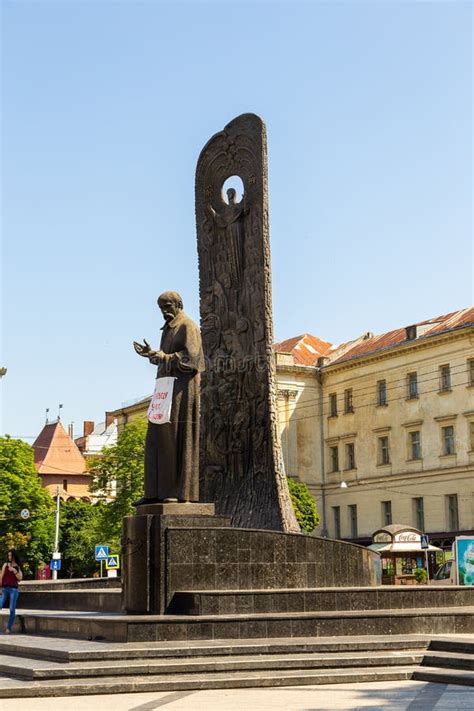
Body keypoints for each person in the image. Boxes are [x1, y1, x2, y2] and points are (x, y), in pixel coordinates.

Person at [133, 291, 204, 504]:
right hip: (165, 390)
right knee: (154, 439)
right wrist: (153, 355)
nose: (164, 311)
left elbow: (192, 359)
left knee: (173, 439)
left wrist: (164, 357)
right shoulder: (168, 329)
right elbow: (168, 358)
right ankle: (153, 493)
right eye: (161, 307)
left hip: (181, 391)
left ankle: (174, 492)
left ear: (179, 304)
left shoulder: (188, 326)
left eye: (167, 306)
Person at [0, 550, 23, 634]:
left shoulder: (17, 567)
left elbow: (20, 578)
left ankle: (8, 628)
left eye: (11, 556)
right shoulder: (5, 565)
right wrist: (0, 588)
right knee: (0, 603)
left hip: (14, 590)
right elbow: (1, 577)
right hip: (4, 589)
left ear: (14, 556)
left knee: (12, 609)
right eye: (8, 555)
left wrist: (14, 570)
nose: (9, 557)